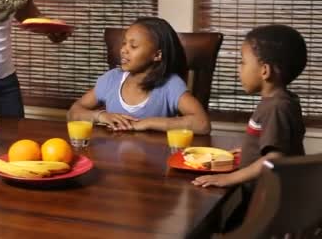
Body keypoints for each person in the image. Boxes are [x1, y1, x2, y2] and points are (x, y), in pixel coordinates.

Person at [192, 24, 306, 190]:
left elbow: (273, 159)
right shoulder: (282, 101)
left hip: (265, 199)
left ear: (264, 71)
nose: (239, 68)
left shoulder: (276, 107)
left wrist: (228, 178)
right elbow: (276, 142)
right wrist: (248, 151)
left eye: (243, 62)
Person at [67, 16, 210, 134]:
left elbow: (202, 124)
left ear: (157, 55)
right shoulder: (111, 79)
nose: (124, 50)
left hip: (152, 163)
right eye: (124, 44)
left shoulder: (170, 85)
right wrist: (100, 116)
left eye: (133, 46)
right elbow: (73, 113)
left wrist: (147, 123)